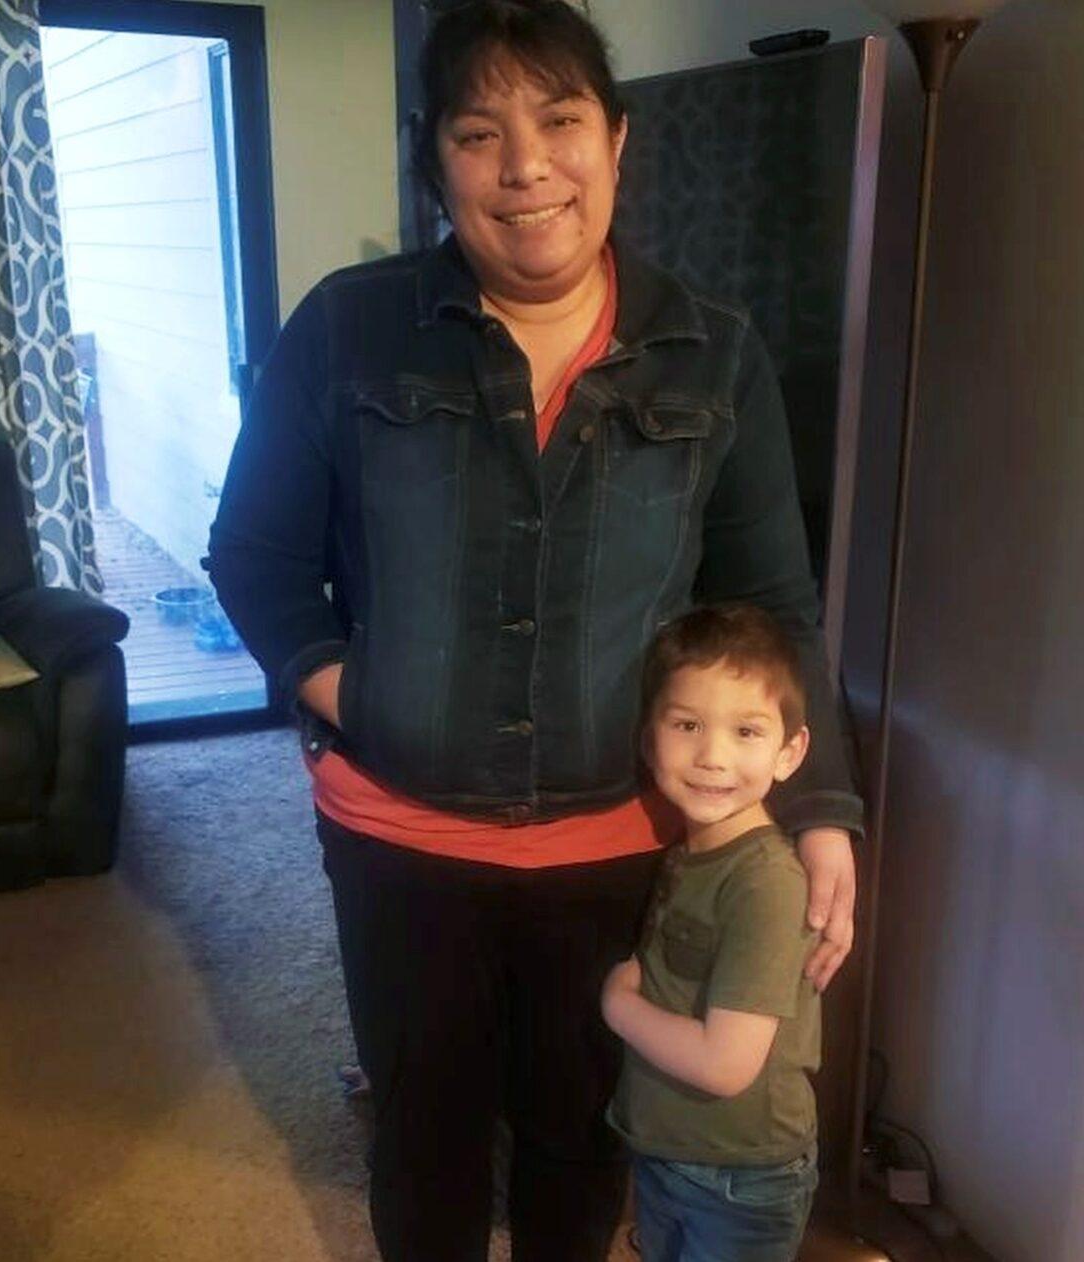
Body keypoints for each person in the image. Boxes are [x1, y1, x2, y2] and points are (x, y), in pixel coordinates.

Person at [207, 3, 860, 1259]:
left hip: (618, 850)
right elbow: (256, 553)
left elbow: (773, 605)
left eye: (560, 121)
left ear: (617, 142)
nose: (525, 166)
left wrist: (820, 801)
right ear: (434, 160)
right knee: (426, 1138)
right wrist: (356, 691)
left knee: (579, 1142)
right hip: (401, 842)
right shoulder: (347, 327)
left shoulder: (711, 356)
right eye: (478, 131)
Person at [603, 605, 821, 1262]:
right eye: (688, 724)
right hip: (674, 1155)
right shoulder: (689, 849)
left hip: (741, 1177)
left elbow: (725, 1066)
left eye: (746, 731)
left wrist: (619, 1006)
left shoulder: (764, 882)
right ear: (649, 738)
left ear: (790, 752)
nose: (712, 757)